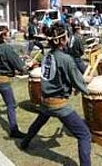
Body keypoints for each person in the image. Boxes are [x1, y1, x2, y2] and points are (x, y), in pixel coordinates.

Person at [20, 22, 92, 166]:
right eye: (65, 36)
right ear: (61, 40)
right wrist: (86, 85)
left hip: (45, 101)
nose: (67, 38)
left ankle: (24, 142)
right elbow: (78, 82)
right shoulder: (66, 59)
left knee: (39, 121)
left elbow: (59, 76)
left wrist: (76, 83)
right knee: (84, 135)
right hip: (59, 105)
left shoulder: (47, 56)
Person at [0, 26, 31, 138]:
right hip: (3, 81)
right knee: (11, 105)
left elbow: (2, 59)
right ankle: (14, 130)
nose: (10, 35)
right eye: (8, 34)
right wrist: (27, 66)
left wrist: (19, 57)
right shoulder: (7, 48)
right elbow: (20, 67)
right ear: (4, 36)